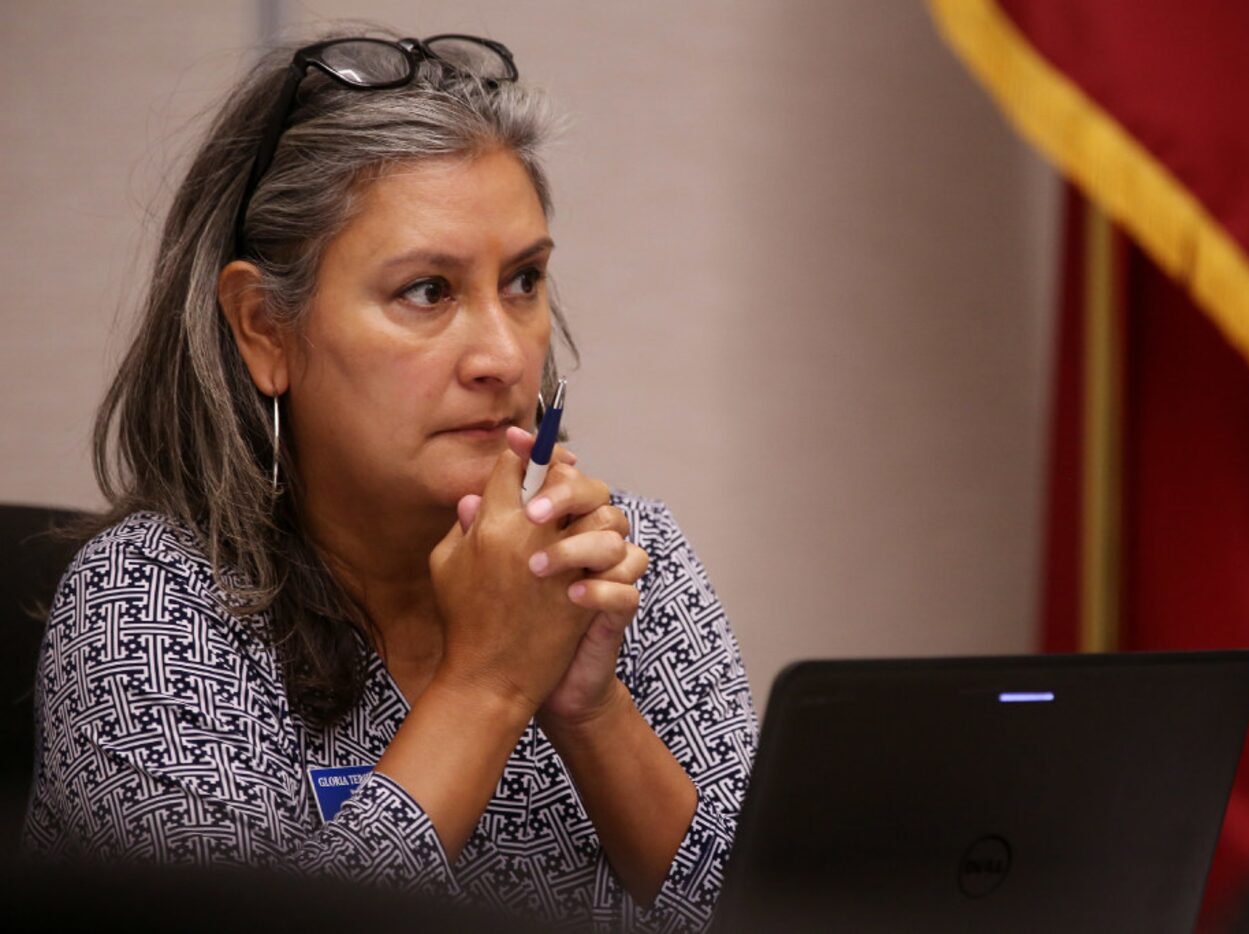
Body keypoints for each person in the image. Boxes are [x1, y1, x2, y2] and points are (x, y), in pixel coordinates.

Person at [23, 30, 757, 932]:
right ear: (265, 330)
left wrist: (594, 708)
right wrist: (487, 685)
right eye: (428, 292)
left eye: (523, 280)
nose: (501, 353)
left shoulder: (623, 559)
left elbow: (768, 910)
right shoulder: (150, 603)